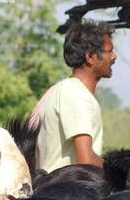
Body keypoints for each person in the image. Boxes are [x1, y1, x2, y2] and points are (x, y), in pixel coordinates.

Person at [31, 20, 116, 173]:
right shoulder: (75, 93)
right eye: (109, 51)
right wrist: (126, 173)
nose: (114, 57)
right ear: (90, 57)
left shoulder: (71, 90)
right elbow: (86, 160)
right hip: (64, 192)